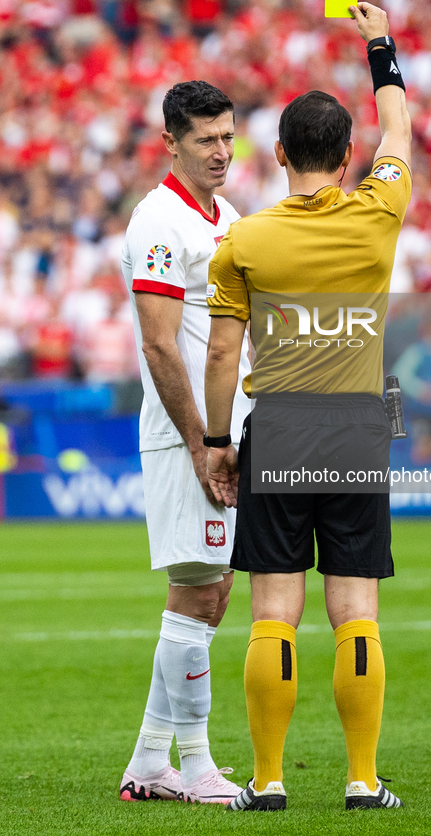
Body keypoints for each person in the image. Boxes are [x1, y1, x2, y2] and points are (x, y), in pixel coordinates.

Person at [203, 2, 412, 812]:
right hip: (358, 421)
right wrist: (377, 43)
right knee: (354, 607)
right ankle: (361, 778)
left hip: (281, 423)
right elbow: (399, 129)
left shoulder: (245, 241)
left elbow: (223, 353)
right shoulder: (378, 211)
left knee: (274, 611)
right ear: (347, 154)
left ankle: (267, 778)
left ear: (279, 152)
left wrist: (218, 441)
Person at [120, 80, 250, 805]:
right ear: (171, 141)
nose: (220, 151)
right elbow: (160, 345)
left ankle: (148, 762)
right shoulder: (158, 220)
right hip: (187, 437)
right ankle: (195, 765)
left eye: (228, 136)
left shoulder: (226, 214)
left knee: (212, 587)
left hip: (220, 432)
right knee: (198, 592)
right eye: (205, 138)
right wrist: (202, 442)